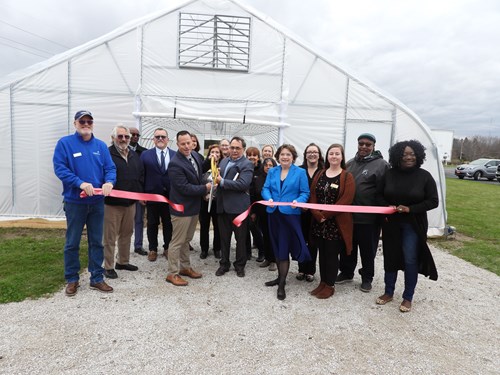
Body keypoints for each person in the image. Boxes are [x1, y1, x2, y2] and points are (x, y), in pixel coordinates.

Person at [53, 110, 116, 296]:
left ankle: (96, 277)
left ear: (93, 124)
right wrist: (80, 183)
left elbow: (110, 168)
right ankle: (72, 278)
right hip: (75, 202)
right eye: (82, 121)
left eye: (89, 121)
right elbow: (60, 169)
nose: (86, 124)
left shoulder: (101, 146)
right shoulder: (65, 143)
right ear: (75, 123)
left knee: (97, 241)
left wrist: (109, 182)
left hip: (97, 203)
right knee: (72, 242)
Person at [375, 140, 439, 313]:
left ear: (418, 155)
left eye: (412, 154)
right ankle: (388, 292)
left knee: (410, 258)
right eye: (404, 154)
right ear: (397, 156)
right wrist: (388, 208)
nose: (409, 157)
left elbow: (433, 201)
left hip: (413, 224)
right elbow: (378, 195)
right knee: (390, 257)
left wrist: (411, 209)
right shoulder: (389, 174)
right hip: (391, 223)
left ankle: (408, 297)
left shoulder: (424, 176)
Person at [337, 133, 389, 292]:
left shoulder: (381, 165)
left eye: (368, 144)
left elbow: (385, 191)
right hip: (348, 217)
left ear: (373, 146)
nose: (364, 147)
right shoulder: (350, 163)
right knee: (347, 247)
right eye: (361, 144)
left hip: (369, 219)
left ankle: (367, 277)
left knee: (368, 251)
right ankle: (346, 272)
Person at [261, 144, 310, 300]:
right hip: (273, 214)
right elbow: (265, 188)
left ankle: (282, 283)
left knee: (283, 247)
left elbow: (305, 192)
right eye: (282, 154)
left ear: (293, 157)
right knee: (275, 245)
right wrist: (268, 198)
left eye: (288, 154)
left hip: (290, 216)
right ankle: (279, 276)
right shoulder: (273, 171)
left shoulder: (300, 172)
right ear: (278, 156)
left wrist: (298, 201)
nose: (285, 157)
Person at [309, 144, 355, 299]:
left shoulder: (347, 176)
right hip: (319, 222)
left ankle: (330, 285)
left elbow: (346, 200)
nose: (334, 156)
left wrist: (325, 214)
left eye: (337, 154)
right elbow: (313, 194)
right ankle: (322, 282)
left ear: (342, 157)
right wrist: (316, 213)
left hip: (335, 223)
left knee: (331, 254)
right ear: (327, 157)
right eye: (331, 153)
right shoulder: (320, 173)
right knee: (321, 253)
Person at [165, 131, 211, 286]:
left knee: (187, 240)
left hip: (193, 208)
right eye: (182, 143)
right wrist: (206, 188)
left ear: (193, 143)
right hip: (181, 209)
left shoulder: (196, 156)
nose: (186, 146)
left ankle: (185, 267)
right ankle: (172, 273)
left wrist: (211, 160)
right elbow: (184, 188)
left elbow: (200, 170)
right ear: (177, 144)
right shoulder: (175, 164)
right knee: (177, 242)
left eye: (188, 143)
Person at [103, 125, 144, 279]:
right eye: (120, 136)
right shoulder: (106, 154)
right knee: (110, 236)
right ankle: (108, 266)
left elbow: (139, 176)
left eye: (126, 136)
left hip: (130, 203)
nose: (124, 139)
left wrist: (138, 195)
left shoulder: (134, 155)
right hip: (112, 204)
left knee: (127, 233)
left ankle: (123, 261)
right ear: (113, 138)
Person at [214, 136, 254, 277]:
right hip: (223, 207)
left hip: (238, 209)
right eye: (232, 147)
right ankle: (224, 264)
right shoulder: (224, 161)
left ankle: (240, 265)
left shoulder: (247, 164)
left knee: (241, 239)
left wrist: (222, 181)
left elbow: (243, 184)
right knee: (224, 238)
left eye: (237, 148)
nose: (234, 150)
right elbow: (217, 179)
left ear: (243, 149)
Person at [140, 128, 176, 262]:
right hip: (151, 195)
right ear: (153, 139)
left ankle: (167, 248)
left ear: (167, 139)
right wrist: (142, 194)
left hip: (169, 196)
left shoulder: (175, 155)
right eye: (157, 137)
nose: (160, 139)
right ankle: (152, 249)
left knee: (168, 223)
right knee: (152, 223)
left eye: (163, 136)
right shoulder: (145, 155)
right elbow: (141, 175)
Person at [297, 143, 324, 282]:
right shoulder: (299, 170)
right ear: (305, 155)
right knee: (301, 240)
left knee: (313, 242)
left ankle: (310, 270)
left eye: (315, 152)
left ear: (319, 155)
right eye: (309, 152)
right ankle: (301, 269)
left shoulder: (324, 171)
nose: (312, 154)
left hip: (317, 213)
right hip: (300, 213)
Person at [254, 157, 278, 271]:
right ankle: (268, 258)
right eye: (266, 165)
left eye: (271, 165)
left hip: (274, 212)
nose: (268, 167)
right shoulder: (258, 178)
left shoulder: (277, 178)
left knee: (274, 236)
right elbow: (256, 193)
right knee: (266, 236)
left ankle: (274, 260)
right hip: (262, 212)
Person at [199, 144, 222, 259]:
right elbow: (198, 182)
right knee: (204, 226)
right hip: (204, 201)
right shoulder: (204, 167)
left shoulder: (222, 167)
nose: (215, 154)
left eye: (217, 152)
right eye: (212, 152)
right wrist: (204, 194)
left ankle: (217, 248)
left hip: (217, 202)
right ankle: (204, 249)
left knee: (218, 226)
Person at [128, 127, 148, 256]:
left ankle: (138, 245)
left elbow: (145, 173)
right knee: (124, 221)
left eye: (137, 135)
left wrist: (143, 193)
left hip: (139, 191)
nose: (135, 136)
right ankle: (123, 247)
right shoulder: (116, 151)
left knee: (139, 219)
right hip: (123, 192)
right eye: (132, 134)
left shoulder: (144, 152)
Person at [246, 146, 264, 262]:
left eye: (255, 155)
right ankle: (247, 253)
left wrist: (254, 211)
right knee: (245, 230)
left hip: (256, 206)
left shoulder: (261, 170)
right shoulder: (244, 168)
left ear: (258, 157)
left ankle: (262, 252)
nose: (252, 157)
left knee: (256, 230)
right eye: (249, 155)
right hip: (244, 204)